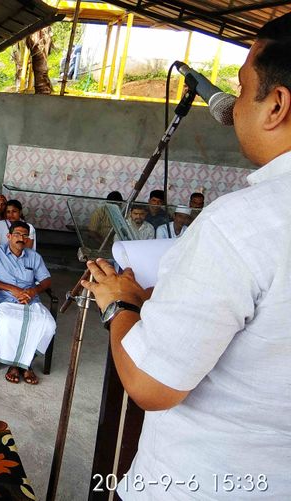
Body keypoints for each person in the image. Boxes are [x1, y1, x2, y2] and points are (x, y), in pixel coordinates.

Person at [82, 14, 291, 498]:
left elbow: (152, 384)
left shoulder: (241, 225)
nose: (233, 107)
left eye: (243, 89)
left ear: (277, 105)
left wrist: (120, 303)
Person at [0, 221, 55, 385]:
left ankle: (23, 362)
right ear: (9, 236)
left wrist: (33, 291)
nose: (21, 238)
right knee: (8, 323)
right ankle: (21, 365)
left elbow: (46, 280)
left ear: (28, 239)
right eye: (17, 234)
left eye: (24, 235)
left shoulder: (34, 257)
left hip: (31, 300)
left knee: (49, 325)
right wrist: (11, 289)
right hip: (6, 300)